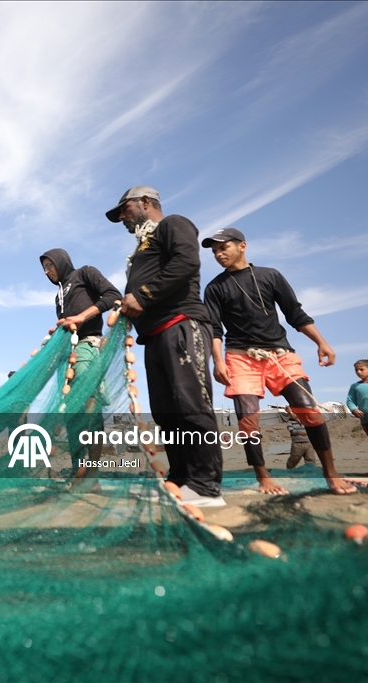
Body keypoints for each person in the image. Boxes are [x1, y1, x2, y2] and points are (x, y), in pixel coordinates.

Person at [202, 227, 354, 495]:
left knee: (309, 409)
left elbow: (295, 314)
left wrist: (321, 342)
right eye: (214, 250)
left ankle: (330, 472)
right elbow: (214, 330)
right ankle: (263, 478)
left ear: (242, 246)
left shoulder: (270, 275)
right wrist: (218, 362)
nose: (218, 253)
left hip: (279, 355)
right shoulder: (215, 287)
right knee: (248, 419)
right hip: (240, 358)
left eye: (223, 247)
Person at [106, 185, 225, 507]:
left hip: (181, 324)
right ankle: (179, 478)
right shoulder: (143, 246)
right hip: (155, 335)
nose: (122, 219)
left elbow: (186, 262)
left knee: (190, 405)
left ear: (146, 202)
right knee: (166, 412)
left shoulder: (174, 224)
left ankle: (205, 486)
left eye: (125, 210)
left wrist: (142, 295)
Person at [40, 248, 122, 482]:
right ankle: (79, 471)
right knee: (71, 413)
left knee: (89, 407)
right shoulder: (58, 296)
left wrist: (81, 318)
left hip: (87, 346)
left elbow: (112, 295)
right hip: (68, 355)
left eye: (50, 265)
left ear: (61, 261)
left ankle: (92, 474)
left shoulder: (85, 273)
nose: (47, 271)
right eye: (44, 268)